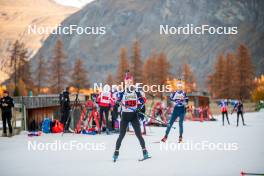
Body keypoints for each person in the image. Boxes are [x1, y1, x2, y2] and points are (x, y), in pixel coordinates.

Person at [112, 71, 149, 162]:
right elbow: (116, 101)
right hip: (125, 116)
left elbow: (143, 101)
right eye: (127, 82)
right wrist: (117, 103)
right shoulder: (122, 92)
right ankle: (116, 153)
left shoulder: (136, 92)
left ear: (132, 83)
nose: (129, 84)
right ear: (125, 83)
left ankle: (145, 153)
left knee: (139, 135)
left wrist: (139, 108)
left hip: (133, 116)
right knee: (121, 135)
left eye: (130, 82)